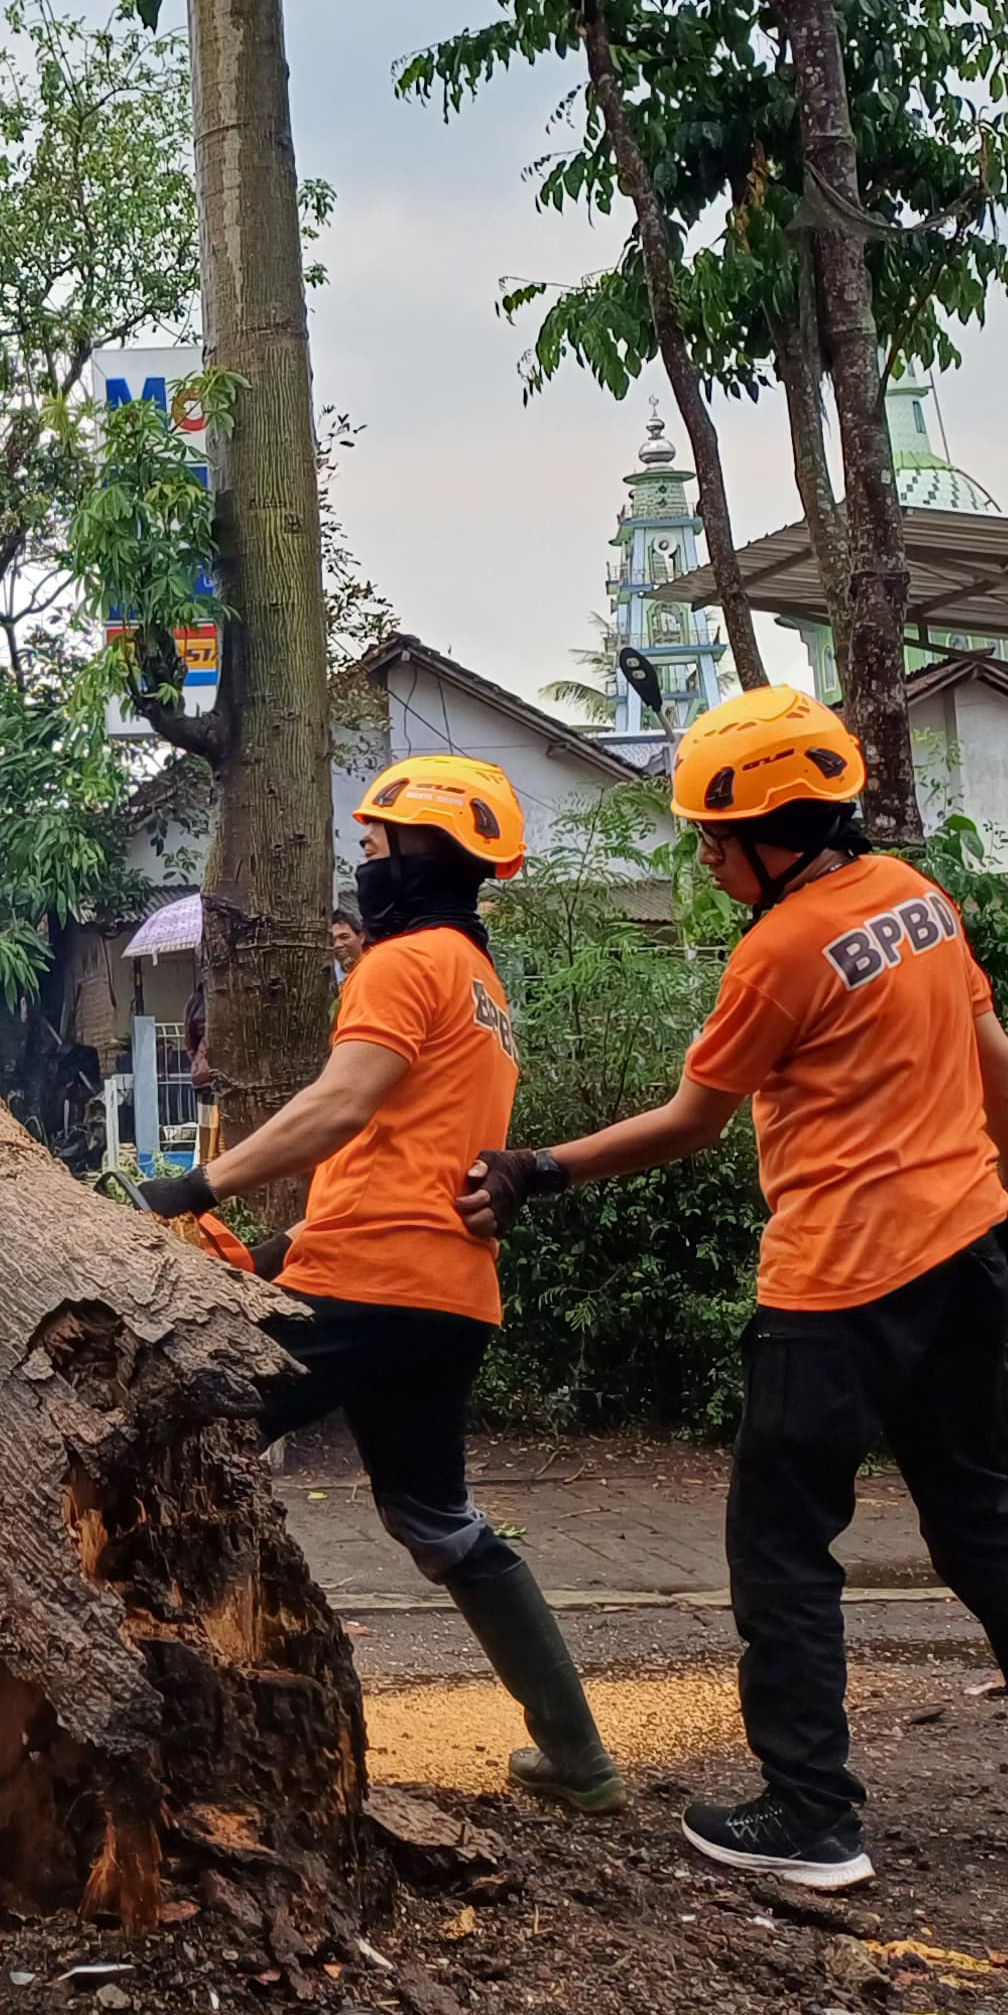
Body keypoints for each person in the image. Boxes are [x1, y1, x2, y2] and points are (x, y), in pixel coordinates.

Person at [464, 685, 1008, 1893]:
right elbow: (995, 1058)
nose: (704, 859)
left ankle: (811, 1817)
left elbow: (694, 1121)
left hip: (840, 1283)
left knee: (783, 1544)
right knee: (987, 1529)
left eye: (713, 838)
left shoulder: (781, 949)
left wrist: (539, 1168)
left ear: (775, 831)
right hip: (966, 1254)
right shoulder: (919, 899)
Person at [139, 754, 623, 1817]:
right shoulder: (481, 983)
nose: (360, 871)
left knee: (158, 1435)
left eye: (370, 850)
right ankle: (576, 1757)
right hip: (444, 1295)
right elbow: (407, 1147)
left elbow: (341, 1106)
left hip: (368, 1284)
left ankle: (151, 1725)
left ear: (421, 852)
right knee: (438, 1521)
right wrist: (276, 1255)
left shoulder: (404, 965)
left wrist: (189, 1187)